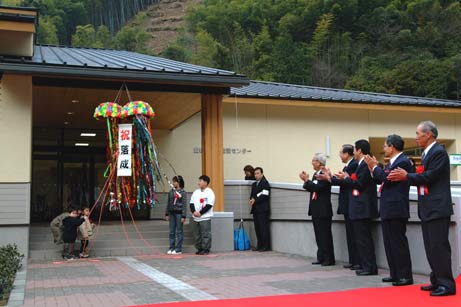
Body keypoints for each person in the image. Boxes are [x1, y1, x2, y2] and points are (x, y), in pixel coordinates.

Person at [388, 121, 456, 296]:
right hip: (427, 206)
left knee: (439, 247)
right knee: (430, 247)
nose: (416, 137)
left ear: (429, 134)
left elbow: (430, 176)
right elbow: (424, 176)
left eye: (418, 133)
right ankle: (436, 280)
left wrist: (406, 176)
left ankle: (447, 284)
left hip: (437, 207)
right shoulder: (426, 153)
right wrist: (410, 176)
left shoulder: (439, 152)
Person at [320, 139, 379, 275]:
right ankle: (364, 265)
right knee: (360, 239)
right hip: (358, 206)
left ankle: (369, 267)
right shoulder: (361, 164)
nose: (354, 152)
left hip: (363, 207)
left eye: (355, 150)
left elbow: (359, 183)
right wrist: (344, 178)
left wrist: (346, 178)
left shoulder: (364, 164)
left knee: (364, 240)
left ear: (359, 151)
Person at [365, 135, 413, 286]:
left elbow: (387, 178)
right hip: (387, 206)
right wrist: (373, 169)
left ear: (392, 147)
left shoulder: (403, 161)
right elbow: (379, 179)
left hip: (397, 207)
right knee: (389, 243)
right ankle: (395, 273)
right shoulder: (390, 162)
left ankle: (405, 275)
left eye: (385, 146)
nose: (384, 149)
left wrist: (374, 167)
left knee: (398, 243)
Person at [299, 153, 335, 266]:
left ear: (319, 162)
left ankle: (329, 259)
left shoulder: (325, 174)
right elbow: (311, 188)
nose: (312, 162)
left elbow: (317, 188)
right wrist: (307, 181)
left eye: (314, 160)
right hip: (316, 209)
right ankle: (321, 257)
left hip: (323, 210)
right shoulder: (316, 174)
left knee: (325, 235)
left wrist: (306, 180)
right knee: (319, 235)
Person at [332, 145, 359, 269]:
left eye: (341, 152)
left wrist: (331, 178)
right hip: (347, 203)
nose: (339, 155)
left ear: (347, 153)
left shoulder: (353, 165)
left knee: (354, 234)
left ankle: (356, 261)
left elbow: (347, 181)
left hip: (351, 203)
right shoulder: (347, 165)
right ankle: (353, 260)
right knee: (350, 234)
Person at [190, 175, 215, 255]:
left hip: (205, 217)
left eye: (200, 181)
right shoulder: (196, 192)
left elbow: (209, 205)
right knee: (197, 234)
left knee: (205, 234)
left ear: (205, 182)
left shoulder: (210, 192)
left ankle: (206, 248)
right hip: (195, 217)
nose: (198, 183)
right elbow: (191, 203)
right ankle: (199, 248)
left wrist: (200, 213)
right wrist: (194, 212)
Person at [249, 167, 271, 251]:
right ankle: (259, 245)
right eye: (255, 174)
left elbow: (265, 195)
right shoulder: (254, 184)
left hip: (263, 209)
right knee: (257, 228)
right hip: (255, 209)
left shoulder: (265, 183)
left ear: (262, 174)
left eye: (258, 173)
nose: (256, 175)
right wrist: (251, 199)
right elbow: (252, 195)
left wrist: (255, 199)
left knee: (263, 228)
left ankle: (266, 246)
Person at [165, 175, 188, 255]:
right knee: (171, 231)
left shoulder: (183, 192)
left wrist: (184, 215)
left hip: (179, 214)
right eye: (173, 181)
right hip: (171, 213)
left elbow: (184, 204)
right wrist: (167, 213)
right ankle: (171, 247)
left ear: (179, 182)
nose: (173, 183)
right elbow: (168, 203)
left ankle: (178, 249)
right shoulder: (171, 191)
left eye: (175, 181)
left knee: (179, 231)